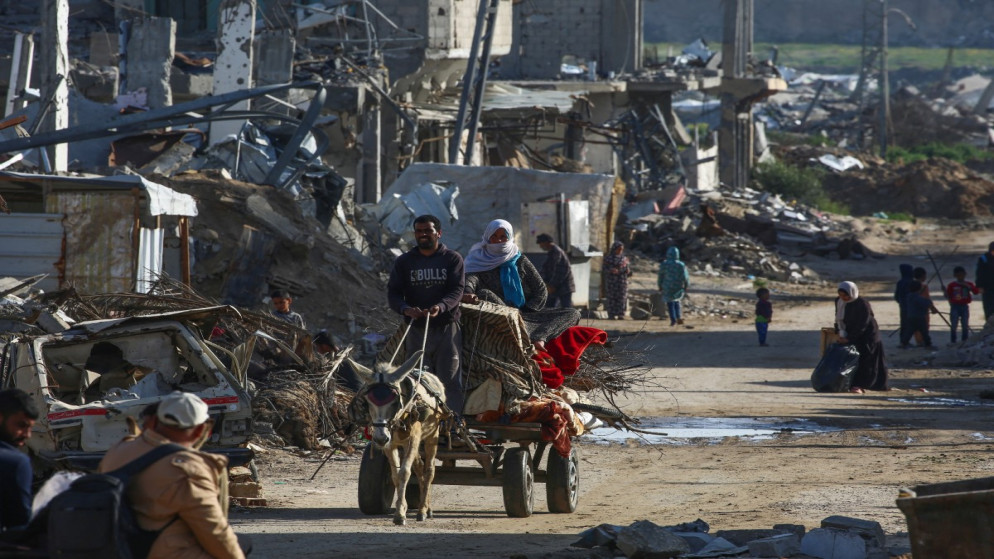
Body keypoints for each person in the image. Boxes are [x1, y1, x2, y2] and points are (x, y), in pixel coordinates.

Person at [98, 392, 248, 558]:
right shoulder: (188, 468)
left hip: (111, 547)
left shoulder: (119, 449)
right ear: (200, 430)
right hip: (153, 551)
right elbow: (214, 531)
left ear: (155, 421)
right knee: (239, 544)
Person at [387, 214, 466, 416]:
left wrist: (441, 306)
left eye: (428, 231)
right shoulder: (404, 262)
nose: (423, 235)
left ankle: (452, 426)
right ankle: (422, 424)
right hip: (416, 328)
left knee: (449, 379)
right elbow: (394, 293)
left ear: (438, 233)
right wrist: (406, 309)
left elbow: (457, 291)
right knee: (418, 378)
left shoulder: (452, 259)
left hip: (447, 327)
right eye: (419, 231)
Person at [462, 220, 579, 351]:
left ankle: (538, 337)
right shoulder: (478, 259)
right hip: (502, 314)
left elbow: (540, 290)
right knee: (484, 294)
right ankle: (521, 332)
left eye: (503, 237)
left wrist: (526, 311)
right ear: (487, 237)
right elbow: (471, 279)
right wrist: (468, 291)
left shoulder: (519, 259)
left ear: (509, 238)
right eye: (494, 237)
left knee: (572, 313)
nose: (498, 241)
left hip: (526, 313)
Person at [835, 281, 889, 394]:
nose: (843, 298)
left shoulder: (862, 303)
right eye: (840, 295)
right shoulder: (839, 301)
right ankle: (853, 384)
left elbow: (862, 324)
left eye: (845, 295)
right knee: (853, 360)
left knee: (867, 360)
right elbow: (838, 318)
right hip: (851, 333)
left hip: (868, 335)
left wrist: (849, 338)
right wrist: (839, 333)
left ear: (852, 292)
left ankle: (864, 385)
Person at [0, 389, 37, 532]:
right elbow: (19, 524)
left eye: (30, 428)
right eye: (21, 425)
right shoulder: (14, 463)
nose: (27, 435)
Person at [536, 233, 575, 309]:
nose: (540, 246)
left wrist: (553, 285)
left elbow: (561, 271)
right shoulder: (551, 253)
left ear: (546, 242)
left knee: (567, 310)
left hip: (564, 287)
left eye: (541, 243)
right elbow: (545, 269)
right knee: (550, 308)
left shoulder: (557, 252)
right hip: (555, 287)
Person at [945, 265, 979, 344]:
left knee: (965, 324)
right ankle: (953, 341)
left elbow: (976, 292)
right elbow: (948, 295)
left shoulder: (968, 284)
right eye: (958, 275)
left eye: (962, 275)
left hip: (964, 306)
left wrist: (968, 287)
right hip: (955, 307)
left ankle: (964, 340)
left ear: (965, 274)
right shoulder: (952, 285)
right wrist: (945, 292)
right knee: (954, 324)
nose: (960, 277)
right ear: (955, 276)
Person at [657, 246, 689, 326]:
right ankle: (678, 316)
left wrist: (660, 285)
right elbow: (685, 277)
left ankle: (673, 319)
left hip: (667, 286)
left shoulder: (664, 264)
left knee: (670, 303)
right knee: (677, 301)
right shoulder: (681, 265)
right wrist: (686, 285)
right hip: (678, 286)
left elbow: (660, 276)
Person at [603, 241, 632, 320]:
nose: (620, 251)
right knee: (612, 298)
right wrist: (610, 270)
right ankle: (611, 314)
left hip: (622, 282)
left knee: (622, 298)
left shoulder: (624, 259)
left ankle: (621, 314)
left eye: (621, 249)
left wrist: (626, 271)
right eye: (618, 249)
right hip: (611, 282)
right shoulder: (608, 259)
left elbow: (628, 270)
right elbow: (604, 269)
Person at [906, 280, 937, 350]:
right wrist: (930, 304)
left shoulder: (909, 296)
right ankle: (928, 344)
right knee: (924, 331)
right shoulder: (917, 298)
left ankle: (904, 343)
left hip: (911, 317)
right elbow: (925, 303)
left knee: (910, 331)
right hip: (919, 317)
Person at [895, 264, 914, 348]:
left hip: (902, 306)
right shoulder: (911, 282)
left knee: (903, 324)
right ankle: (905, 342)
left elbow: (896, 296)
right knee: (909, 324)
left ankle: (902, 341)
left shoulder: (900, 282)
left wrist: (901, 303)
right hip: (910, 307)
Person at [976, 241, 994, 321]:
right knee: (988, 307)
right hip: (987, 288)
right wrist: (979, 286)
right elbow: (980, 273)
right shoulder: (984, 259)